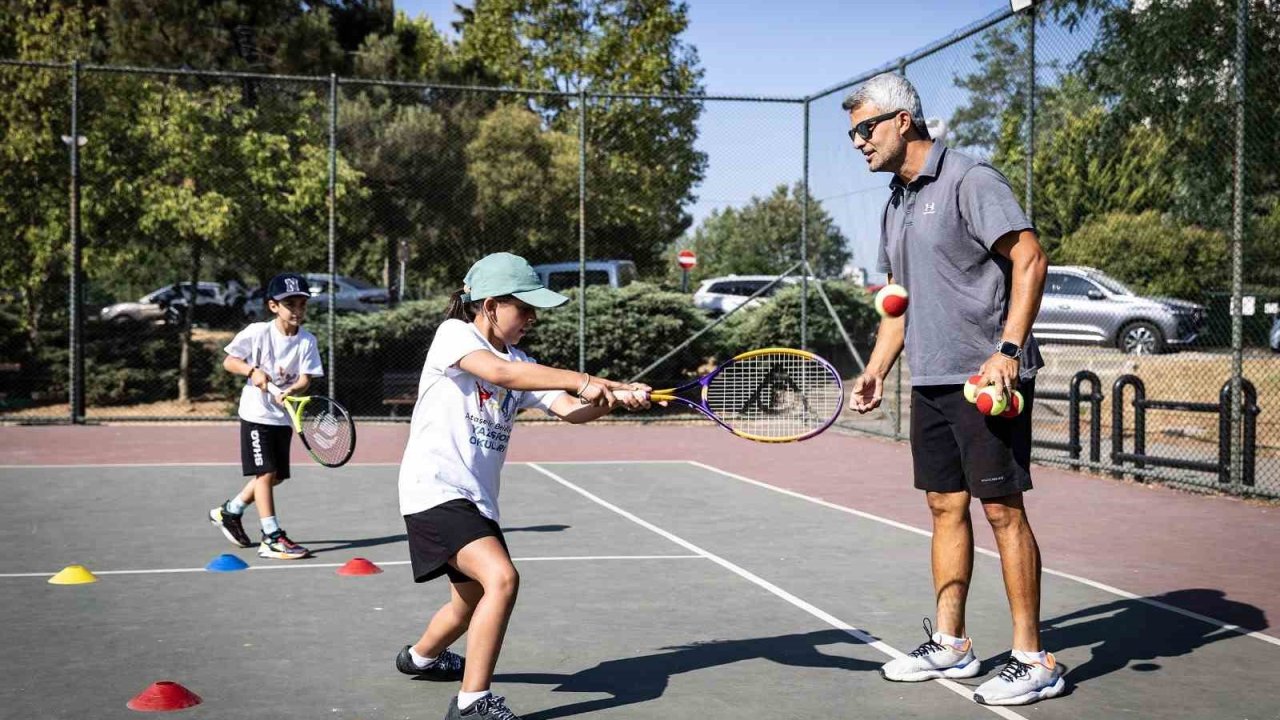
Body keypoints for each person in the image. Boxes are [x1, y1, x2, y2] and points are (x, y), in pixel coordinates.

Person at [844, 73, 1063, 706]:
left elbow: (1031, 258)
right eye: (852, 134)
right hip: (932, 378)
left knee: (1002, 511)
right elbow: (899, 303)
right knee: (944, 507)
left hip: (985, 377)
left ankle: (1033, 657)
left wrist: (1008, 351)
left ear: (902, 121)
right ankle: (952, 643)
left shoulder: (970, 179)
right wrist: (878, 367)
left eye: (865, 129)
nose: (858, 143)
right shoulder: (896, 202)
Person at [395, 252, 650, 720]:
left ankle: (420, 657)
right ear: (490, 305)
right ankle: (472, 704)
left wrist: (613, 397)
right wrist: (587, 378)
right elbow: (500, 374)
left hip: (475, 501)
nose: (532, 318)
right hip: (435, 490)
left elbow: (569, 409)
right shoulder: (455, 336)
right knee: (502, 579)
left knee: (469, 600)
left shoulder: (522, 360)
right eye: (525, 307)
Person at [208, 272, 323, 560]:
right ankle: (271, 536)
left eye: (301, 304)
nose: (297, 310)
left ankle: (230, 511)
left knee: (275, 477)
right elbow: (229, 360)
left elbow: (306, 378)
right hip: (256, 413)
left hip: (282, 416)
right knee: (265, 473)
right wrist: (253, 371)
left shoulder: (307, 341)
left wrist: (292, 389)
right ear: (274, 306)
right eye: (290, 304)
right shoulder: (257, 332)